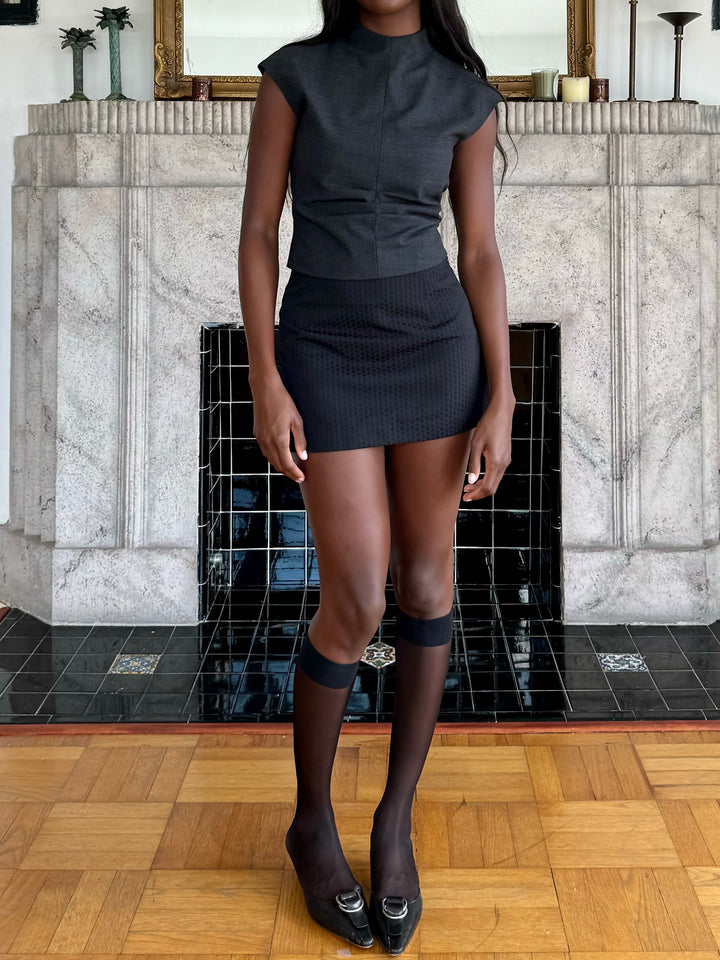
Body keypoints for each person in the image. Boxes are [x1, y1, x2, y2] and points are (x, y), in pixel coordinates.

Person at [238, 0, 515, 952]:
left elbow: (478, 251)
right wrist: (264, 376)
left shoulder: (465, 96)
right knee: (355, 599)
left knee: (429, 584)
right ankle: (311, 820)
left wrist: (504, 393)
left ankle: (393, 822)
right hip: (320, 341)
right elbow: (260, 234)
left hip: (437, 349)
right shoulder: (293, 75)